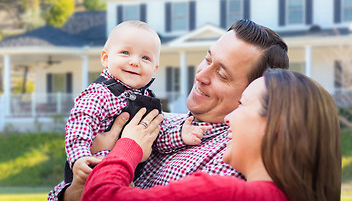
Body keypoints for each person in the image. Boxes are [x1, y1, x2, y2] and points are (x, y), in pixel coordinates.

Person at [56, 19, 290, 200]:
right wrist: (75, 188)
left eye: (222, 74)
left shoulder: (232, 158)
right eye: (208, 60)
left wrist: (123, 149)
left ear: (255, 91)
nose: (200, 75)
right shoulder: (158, 121)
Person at [81, 69, 342, 201]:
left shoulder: (221, 192)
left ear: (276, 126)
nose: (229, 118)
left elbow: (100, 196)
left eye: (242, 105)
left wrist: (128, 145)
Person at [47, 20, 210, 201]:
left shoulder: (149, 101)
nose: (134, 62)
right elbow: (80, 126)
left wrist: (180, 135)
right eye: (125, 53)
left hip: (125, 180)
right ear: (106, 58)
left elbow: (155, 137)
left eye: (145, 58)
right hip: (92, 170)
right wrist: (79, 157)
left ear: (154, 69)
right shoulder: (100, 93)